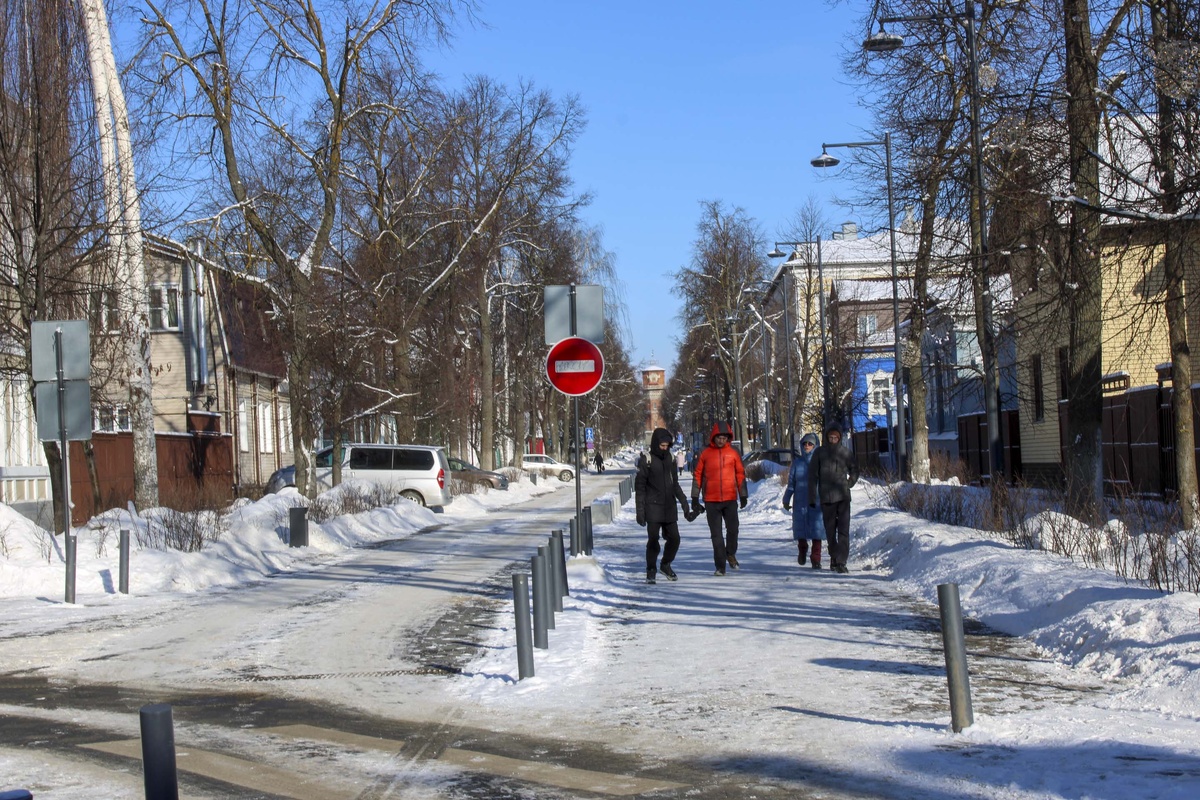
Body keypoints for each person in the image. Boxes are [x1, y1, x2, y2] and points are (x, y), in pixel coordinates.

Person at [690, 421, 747, 575]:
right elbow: (698, 475)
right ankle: (720, 566)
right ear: (713, 437)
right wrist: (695, 497)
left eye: (724, 437)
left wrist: (743, 495)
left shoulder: (734, 452)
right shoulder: (705, 452)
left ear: (728, 438)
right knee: (716, 535)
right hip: (711, 500)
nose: (721, 440)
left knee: (733, 530)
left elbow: (740, 474)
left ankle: (730, 553)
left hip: (730, 498)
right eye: (718, 437)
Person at [636, 428, 691, 583]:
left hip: (669, 507)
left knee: (675, 539)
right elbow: (640, 488)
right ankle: (651, 570)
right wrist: (640, 511)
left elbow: (675, 484)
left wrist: (684, 503)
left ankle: (665, 564)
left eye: (667, 446)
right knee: (653, 540)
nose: (665, 448)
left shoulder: (671, 459)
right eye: (662, 445)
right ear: (655, 444)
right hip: (652, 507)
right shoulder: (646, 460)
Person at [808, 423, 860, 574]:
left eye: (835, 437)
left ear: (840, 438)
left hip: (843, 497)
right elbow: (812, 476)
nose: (833, 439)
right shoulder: (819, 453)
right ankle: (834, 557)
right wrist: (812, 497)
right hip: (826, 498)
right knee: (830, 531)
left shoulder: (845, 453)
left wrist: (849, 483)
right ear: (826, 437)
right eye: (830, 437)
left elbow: (855, 470)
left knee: (843, 530)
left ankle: (841, 561)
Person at [782, 433, 824, 569]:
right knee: (801, 528)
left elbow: (825, 482)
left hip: (816, 501)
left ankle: (816, 558)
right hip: (800, 501)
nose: (807, 446)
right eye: (805, 443)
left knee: (817, 530)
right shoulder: (797, 463)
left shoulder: (819, 462)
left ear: (815, 446)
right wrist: (786, 498)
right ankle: (802, 549)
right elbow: (791, 484)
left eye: (810, 444)